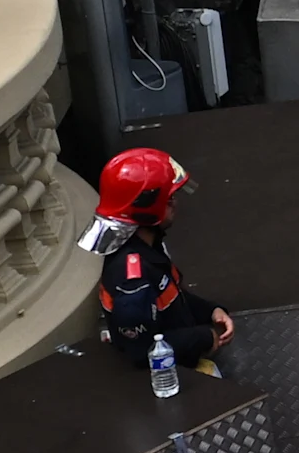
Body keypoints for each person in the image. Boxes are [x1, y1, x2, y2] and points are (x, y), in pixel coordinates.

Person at [85, 147, 235, 369]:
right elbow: (140, 351)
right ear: (146, 208)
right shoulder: (130, 281)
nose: (175, 203)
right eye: (168, 198)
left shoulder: (147, 246)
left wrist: (211, 310)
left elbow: (172, 296)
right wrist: (203, 338)